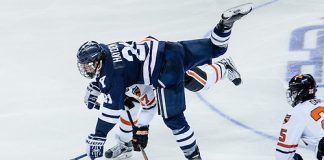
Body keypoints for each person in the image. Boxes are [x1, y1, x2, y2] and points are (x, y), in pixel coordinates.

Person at [77, 3, 252, 160]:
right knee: (216, 48)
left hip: (164, 70)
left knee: (192, 90)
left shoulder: (118, 81)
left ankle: (223, 68)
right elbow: (113, 81)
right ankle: (224, 26)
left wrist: (106, 134)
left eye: (89, 66)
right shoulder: (105, 52)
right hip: (163, 49)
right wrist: (96, 85)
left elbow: (130, 106)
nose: (87, 70)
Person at [104, 57, 241, 159]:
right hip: (143, 68)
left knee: (200, 82)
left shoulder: (140, 86)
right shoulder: (112, 77)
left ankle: (223, 67)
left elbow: (149, 106)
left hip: (167, 61)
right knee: (129, 107)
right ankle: (125, 144)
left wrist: (141, 128)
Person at [275, 74, 324, 160]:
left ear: (301, 92)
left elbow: (282, 156)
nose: (292, 95)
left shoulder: (296, 113)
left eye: (294, 91)